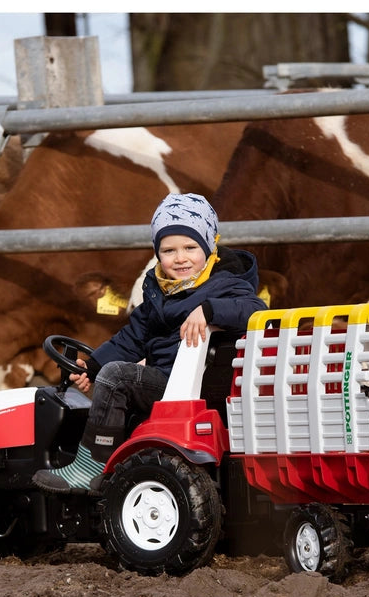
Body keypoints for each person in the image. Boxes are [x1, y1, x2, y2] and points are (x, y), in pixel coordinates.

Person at [32, 193, 267, 492]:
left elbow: (255, 310)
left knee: (118, 378)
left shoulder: (226, 284)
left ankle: (92, 462)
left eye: (190, 247)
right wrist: (92, 366)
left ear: (209, 247)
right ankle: (115, 462)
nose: (180, 258)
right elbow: (131, 339)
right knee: (111, 373)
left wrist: (209, 310)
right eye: (169, 250)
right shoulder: (159, 292)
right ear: (158, 254)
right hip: (168, 379)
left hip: (195, 384)